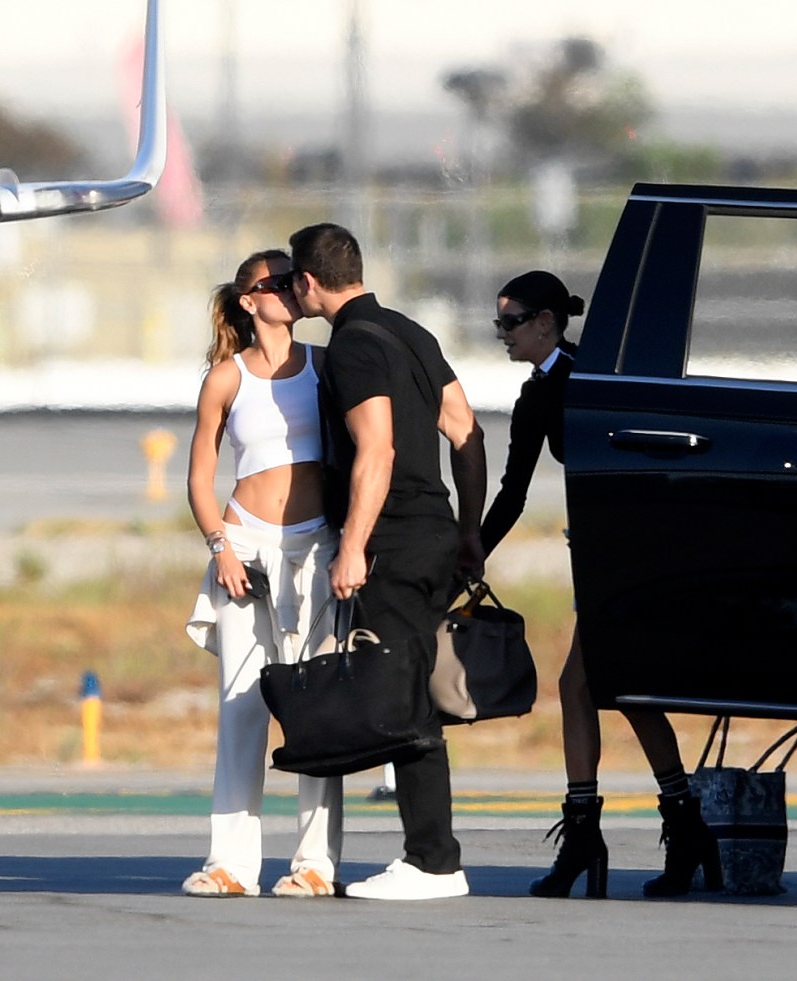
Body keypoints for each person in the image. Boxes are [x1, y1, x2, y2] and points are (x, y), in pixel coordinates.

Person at [480, 270, 720, 899]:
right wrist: (472, 549)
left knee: (587, 683)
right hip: (601, 554)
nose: (500, 334)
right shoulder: (537, 396)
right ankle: (683, 826)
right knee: (623, 688)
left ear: (545, 323)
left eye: (510, 323)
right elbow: (513, 491)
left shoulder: (593, 381)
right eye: (499, 322)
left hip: (631, 552)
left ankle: (595, 834)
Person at [288, 222, 487, 901]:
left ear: (309, 282)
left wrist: (351, 546)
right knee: (412, 687)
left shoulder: (351, 348)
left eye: (294, 281)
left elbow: (376, 450)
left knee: (403, 696)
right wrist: (469, 528)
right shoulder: (410, 332)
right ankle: (430, 854)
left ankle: (434, 860)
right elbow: (465, 428)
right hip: (434, 530)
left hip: (394, 540)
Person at [182, 248, 343, 898]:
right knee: (242, 703)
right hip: (243, 543)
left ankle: (315, 863)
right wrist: (219, 543)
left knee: (319, 709)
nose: (286, 289)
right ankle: (230, 862)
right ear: (249, 301)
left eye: (290, 280)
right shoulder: (226, 377)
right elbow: (198, 477)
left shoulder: (326, 366)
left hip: (314, 549)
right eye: (272, 283)